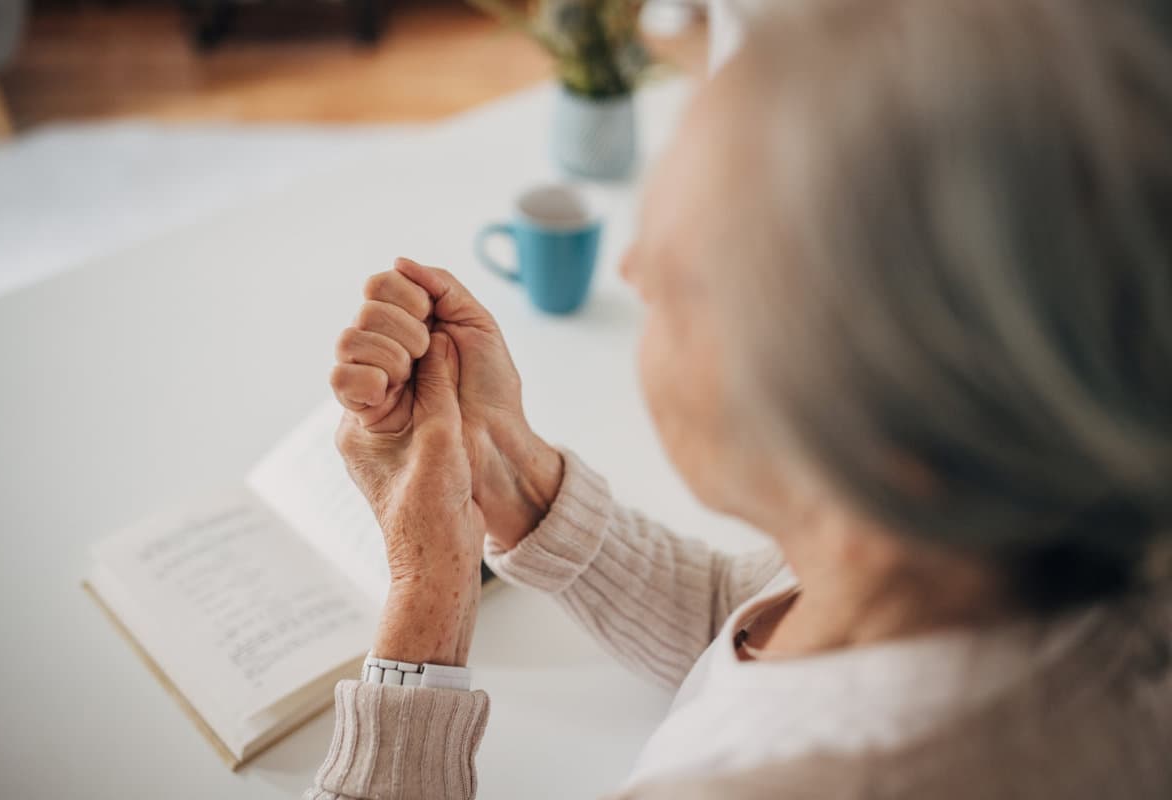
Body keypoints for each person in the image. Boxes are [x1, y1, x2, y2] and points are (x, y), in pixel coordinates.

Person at [307, 0, 1172, 797]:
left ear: (883, 427)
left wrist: (424, 607)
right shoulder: (976, 539)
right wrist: (514, 478)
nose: (631, 271)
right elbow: (746, 625)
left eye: (687, 280)